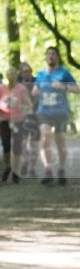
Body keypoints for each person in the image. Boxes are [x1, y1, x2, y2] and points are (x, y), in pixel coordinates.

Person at [33, 46, 78, 186]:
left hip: (61, 112)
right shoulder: (40, 74)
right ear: (46, 57)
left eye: (53, 54)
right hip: (44, 112)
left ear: (57, 57)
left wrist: (64, 87)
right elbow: (35, 90)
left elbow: (77, 89)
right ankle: (48, 170)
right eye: (48, 54)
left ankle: (62, 170)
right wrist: (35, 92)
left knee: (61, 142)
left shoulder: (64, 73)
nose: (51, 56)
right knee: (45, 138)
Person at [0, 67, 32, 183]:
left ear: (17, 75)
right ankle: (8, 167)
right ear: (6, 76)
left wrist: (19, 107)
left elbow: (29, 106)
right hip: (5, 121)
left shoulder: (22, 89)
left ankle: (15, 171)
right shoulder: (0, 89)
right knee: (6, 146)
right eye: (8, 74)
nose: (10, 76)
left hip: (18, 121)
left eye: (13, 74)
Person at [17, 62, 41, 176]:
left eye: (29, 71)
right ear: (21, 73)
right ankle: (25, 161)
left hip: (36, 116)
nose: (27, 74)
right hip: (22, 117)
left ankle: (32, 168)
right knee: (22, 143)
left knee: (34, 143)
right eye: (24, 72)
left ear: (32, 71)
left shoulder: (38, 82)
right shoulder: (17, 85)